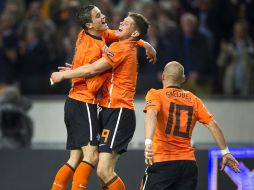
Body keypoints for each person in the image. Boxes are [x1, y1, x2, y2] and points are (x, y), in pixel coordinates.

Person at [50, 5, 156, 190]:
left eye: (127, 22)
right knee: (93, 162)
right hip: (88, 104)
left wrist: (144, 43)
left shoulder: (96, 36)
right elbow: (92, 74)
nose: (107, 17)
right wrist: (73, 74)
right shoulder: (104, 43)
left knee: (91, 165)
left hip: (114, 110)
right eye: (99, 15)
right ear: (90, 24)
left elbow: (95, 66)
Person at [140, 61, 240, 190]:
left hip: (162, 161)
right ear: (183, 79)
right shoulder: (194, 99)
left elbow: (151, 114)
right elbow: (213, 125)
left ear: (163, 76)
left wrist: (148, 142)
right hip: (188, 165)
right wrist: (225, 153)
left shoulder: (155, 94)